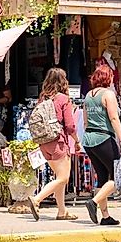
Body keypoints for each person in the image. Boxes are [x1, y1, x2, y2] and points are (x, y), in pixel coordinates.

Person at [27, 68, 77, 221]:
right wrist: (77, 140)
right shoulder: (63, 99)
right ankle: (36, 199)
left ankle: (62, 211)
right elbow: (69, 125)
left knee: (58, 177)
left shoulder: (43, 98)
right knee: (63, 178)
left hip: (44, 143)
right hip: (58, 142)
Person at [82, 63, 121, 226]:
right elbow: (114, 118)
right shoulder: (108, 94)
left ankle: (106, 216)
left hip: (89, 140)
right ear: (108, 78)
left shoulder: (88, 96)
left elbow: (85, 122)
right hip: (104, 138)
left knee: (102, 178)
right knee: (117, 177)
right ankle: (93, 202)